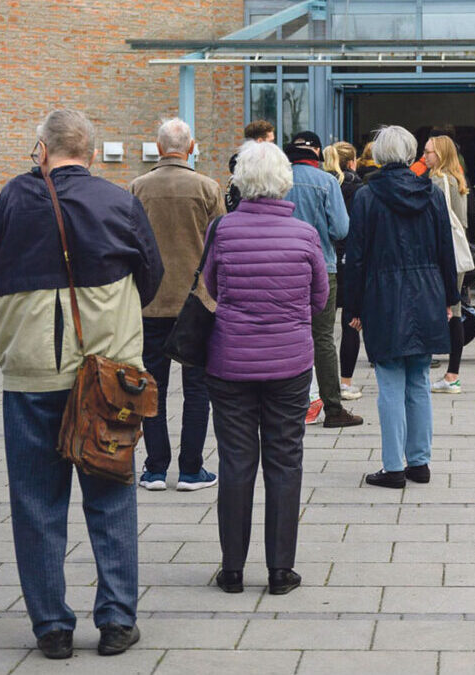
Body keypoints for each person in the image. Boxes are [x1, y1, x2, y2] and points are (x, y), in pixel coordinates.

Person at [0, 109, 163, 659]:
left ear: (41, 149)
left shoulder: (14, 198)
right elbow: (152, 276)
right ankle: (116, 621)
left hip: (32, 369)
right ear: (87, 152)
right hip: (108, 375)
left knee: (36, 501)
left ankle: (52, 628)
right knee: (111, 491)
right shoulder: (118, 201)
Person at [202, 140, 328, 596]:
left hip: (230, 361)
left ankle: (232, 570)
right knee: (285, 460)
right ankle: (280, 571)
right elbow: (319, 300)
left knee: (236, 462)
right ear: (284, 181)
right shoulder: (305, 234)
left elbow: (211, 286)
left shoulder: (222, 231)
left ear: (242, 181)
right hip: (289, 363)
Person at [343, 126, 459, 489]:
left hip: (383, 295)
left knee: (389, 382)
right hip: (426, 292)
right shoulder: (432, 194)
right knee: (420, 381)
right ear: (410, 154)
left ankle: (393, 466)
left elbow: (357, 256)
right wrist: (449, 298)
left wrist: (353, 306)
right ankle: (420, 462)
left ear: (378, 154)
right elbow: (446, 249)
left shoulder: (366, 196)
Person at [129, 118, 224, 491]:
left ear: (157, 146)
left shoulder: (137, 187)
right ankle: (190, 468)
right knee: (197, 387)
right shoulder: (207, 187)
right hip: (196, 302)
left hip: (150, 302)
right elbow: (220, 242)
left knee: (151, 386)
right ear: (191, 146)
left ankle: (154, 468)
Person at [284, 131, 363, 428]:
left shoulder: (279, 180)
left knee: (287, 333)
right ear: (316, 152)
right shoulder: (328, 182)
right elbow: (342, 229)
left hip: (283, 268)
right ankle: (333, 408)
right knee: (323, 338)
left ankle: (290, 405)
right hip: (322, 267)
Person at [425, 135, 474, 395]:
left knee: (448, 311)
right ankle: (452, 373)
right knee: (453, 309)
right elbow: (462, 223)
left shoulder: (438, 182)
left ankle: (451, 375)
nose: (425, 156)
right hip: (456, 254)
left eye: (429, 152)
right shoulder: (457, 180)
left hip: (443, 255)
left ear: (441, 154)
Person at [322, 141, 364, 401]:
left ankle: (318, 384)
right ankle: (345, 383)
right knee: (352, 322)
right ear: (351, 162)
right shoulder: (358, 189)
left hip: (323, 260)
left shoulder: (321, 185)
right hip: (350, 260)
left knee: (320, 329)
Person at [225, 119, 276, 212]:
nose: (274, 146)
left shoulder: (239, 169)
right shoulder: (248, 174)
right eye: (271, 142)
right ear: (260, 142)